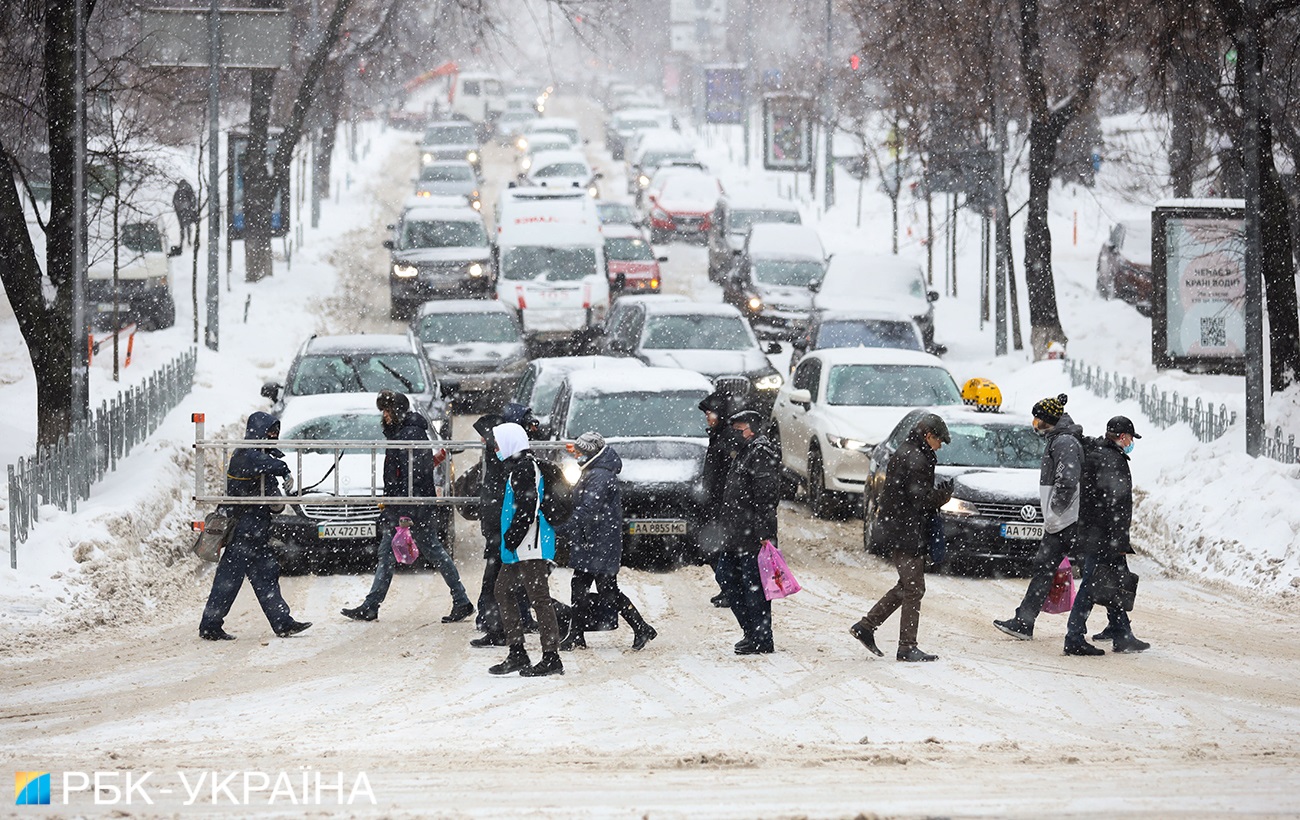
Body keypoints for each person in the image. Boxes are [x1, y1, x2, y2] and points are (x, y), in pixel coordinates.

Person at [341, 390, 473, 623]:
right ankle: (372, 605)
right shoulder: (406, 432)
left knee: (427, 551)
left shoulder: (408, 434)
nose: (384, 415)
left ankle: (461, 600)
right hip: (408, 505)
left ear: (397, 411)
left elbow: (413, 475)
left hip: (409, 507)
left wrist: (403, 511)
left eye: (387, 410)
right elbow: (414, 470)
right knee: (395, 553)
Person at [199, 411, 311, 640]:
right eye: (270, 431)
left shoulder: (263, 456)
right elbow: (263, 464)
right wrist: (284, 469)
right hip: (241, 530)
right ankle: (210, 625)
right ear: (257, 430)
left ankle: (283, 623)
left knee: (265, 576)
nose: (273, 435)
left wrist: (279, 498)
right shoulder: (245, 455)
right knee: (228, 581)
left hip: (256, 531)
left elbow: (272, 497)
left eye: (276, 432)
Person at [849, 413, 952, 662]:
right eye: (940, 441)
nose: (941, 446)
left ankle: (866, 626)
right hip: (907, 532)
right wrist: (942, 497)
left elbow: (910, 495)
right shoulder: (916, 458)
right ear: (929, 436)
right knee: (914, 588)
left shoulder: (909, 451)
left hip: (900, 529)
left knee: (907, 586)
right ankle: (906, 647)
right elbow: (920, 499)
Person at [993, 393, 1084, 642]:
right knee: (1046, 569)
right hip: (1061, 520)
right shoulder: (1059, 439)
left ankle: (1114, 625)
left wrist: (1055, 511)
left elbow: (1067, 481)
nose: (1034, 423)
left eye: (1037, 419)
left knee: (1072, 570)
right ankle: (1024, 621)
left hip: (1066, 520)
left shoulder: (1064, 442)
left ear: (1047, 420)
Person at [557, 431, 657, 652]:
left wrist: (562, 529)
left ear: (591, 452)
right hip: (592, 540)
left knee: (607, 589)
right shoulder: (593, 471)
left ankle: (641, 627)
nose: (577, 456)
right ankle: (577, 634)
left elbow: (588, 509)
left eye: (580, 451)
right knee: (582, 586)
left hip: (600, 542)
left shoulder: (600, 476)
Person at [1065, 416, 1151, 655]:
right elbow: (1117, 506)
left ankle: (1120, 632)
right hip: (1104, 537)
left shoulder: (1099, 455)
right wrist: (1119, 541)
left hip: (1095, 533)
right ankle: (1074, 637)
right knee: (1092, 586)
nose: (1132, 442)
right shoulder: (1113, 460)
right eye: (1131, 438)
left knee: (1115, 582)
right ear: (1123, 437)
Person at [488, 422, 565, 677]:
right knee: (503, 591)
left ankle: (551, 656)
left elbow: (528, 507)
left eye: (499, 442)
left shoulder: (524, 468)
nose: (496, 447)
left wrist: (512, 537)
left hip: (530, 544)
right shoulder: (518, 467)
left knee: (539, 599)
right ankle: (517, 652)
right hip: (520, 545)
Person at [468, 405, 540, 648]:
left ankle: (498, 628)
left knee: (500, 584)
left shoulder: (506, 458)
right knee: (517, 585)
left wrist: (506, 535)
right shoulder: (509, 456)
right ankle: (504, 627)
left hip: (503, 530)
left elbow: (515, 502)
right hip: (502, 529)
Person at [715, 409, 781, 655]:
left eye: (739, 429)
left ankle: (761, 638)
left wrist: (765, 533)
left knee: (755, 588)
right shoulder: (745, 452)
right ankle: (751, 633)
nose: (735, 435)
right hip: (735, 534)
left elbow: (766, 497)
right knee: (726, 577)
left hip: (752, 536)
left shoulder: (760, 453)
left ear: (752, 429)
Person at [699, 388, 738, 608]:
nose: (707, 417)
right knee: (716, 551)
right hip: (717, 502)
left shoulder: (727, 438)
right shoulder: (719, 436)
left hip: (723, 504)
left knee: (719, 551)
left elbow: (728, 473)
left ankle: (731, 589)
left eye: (710, 413)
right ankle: (728, 588)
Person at [173, 179, 198, 246]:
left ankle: (183, 241)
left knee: (182, 227)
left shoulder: (179, 192)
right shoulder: (188, 190)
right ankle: (188, 241)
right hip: (187, 210)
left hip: (182, 211)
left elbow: (175, 202)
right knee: (187, 226)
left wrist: (178, 209)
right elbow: (193, 200)